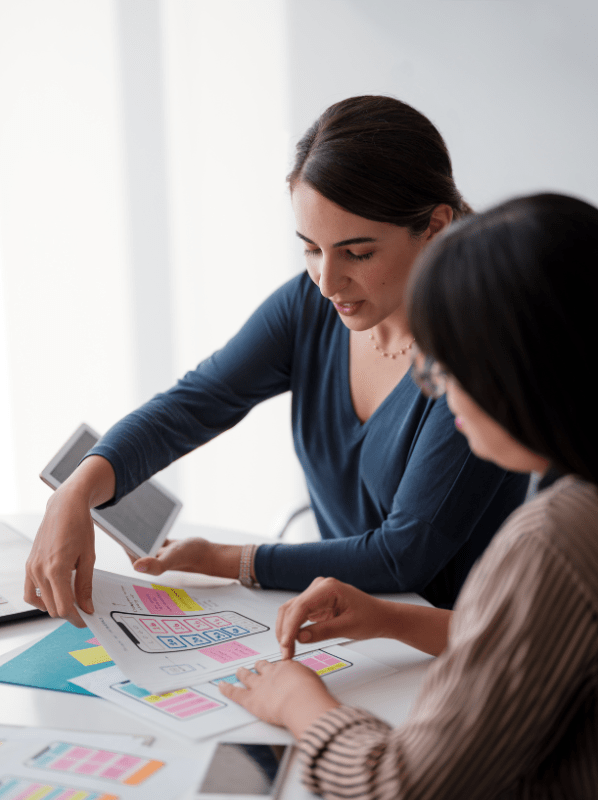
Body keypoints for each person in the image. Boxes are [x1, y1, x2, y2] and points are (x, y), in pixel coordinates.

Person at [25, 96, 528, 628]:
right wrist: (78, 490)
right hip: (350, 630)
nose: (328, 282)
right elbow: (194, 404)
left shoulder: (480, 355)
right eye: (311, 248)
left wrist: (228, 560)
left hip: (461, 654)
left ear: (434, 225)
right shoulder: (310, 307)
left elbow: (402, 555)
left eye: (358, 253)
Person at [219, 192, 598, 799]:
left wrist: (301, 706)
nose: (434, 389)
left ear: (523, 364)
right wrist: (394, 618)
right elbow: (546, 644)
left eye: (445, 366)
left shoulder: (554, 537)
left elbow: (404, 786)